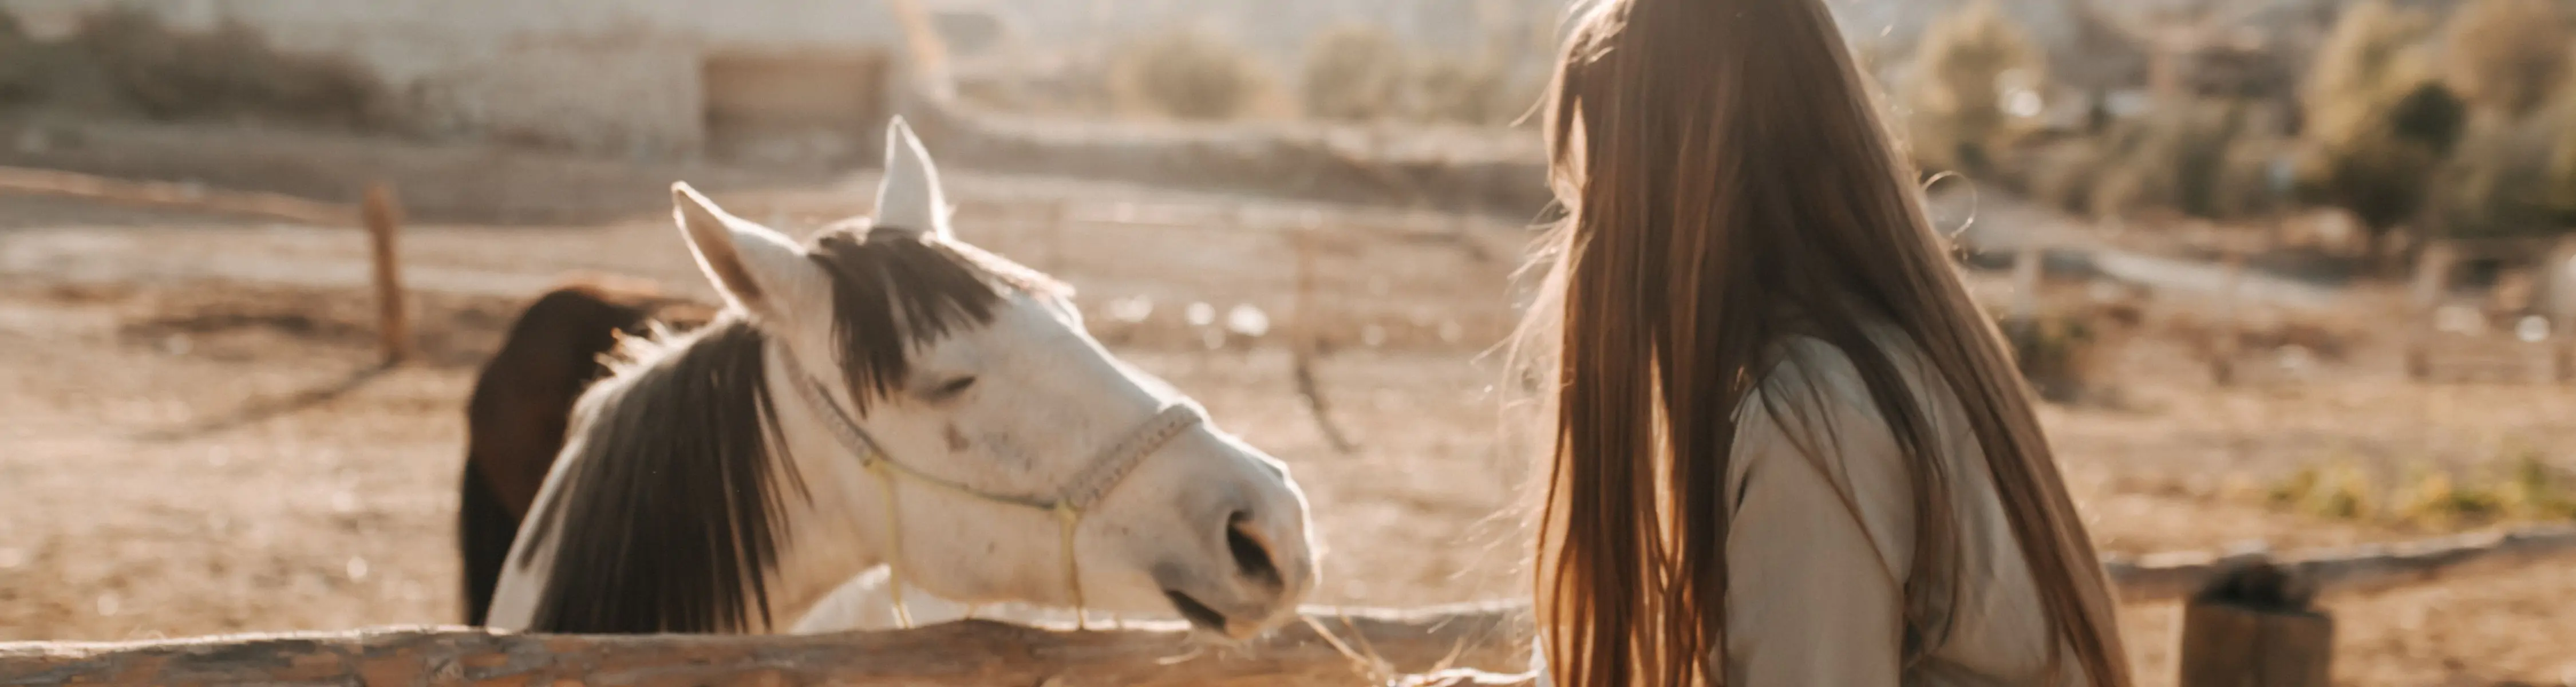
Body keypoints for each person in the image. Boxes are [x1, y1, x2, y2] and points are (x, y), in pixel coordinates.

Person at [1496, 0, 2136, 685]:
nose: (1587, 241)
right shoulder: (1876, 359)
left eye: (1597, 194)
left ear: (1669, 193)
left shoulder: (1813, 416)